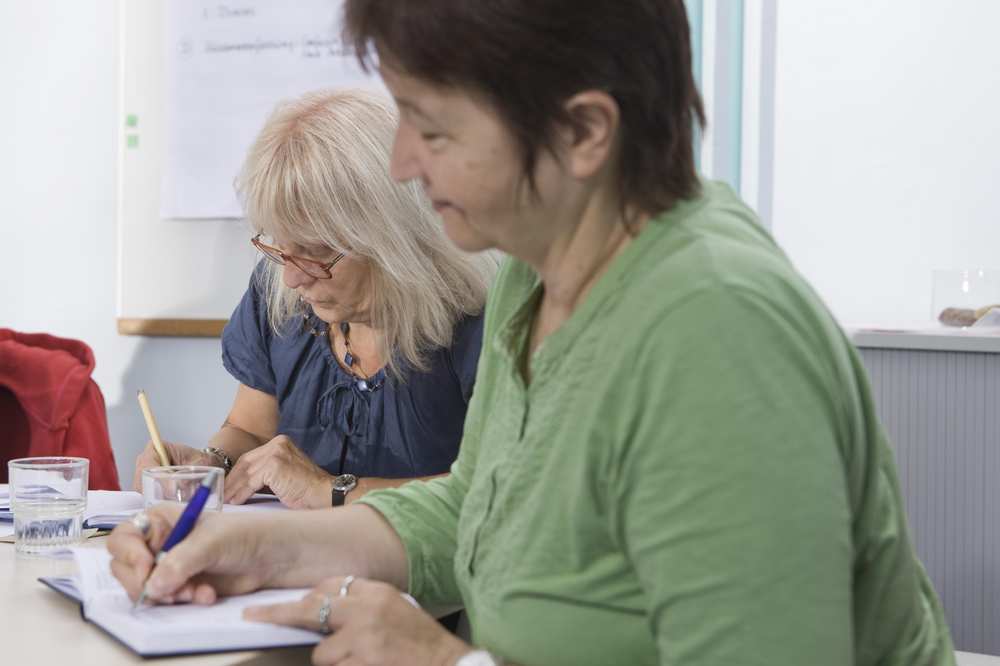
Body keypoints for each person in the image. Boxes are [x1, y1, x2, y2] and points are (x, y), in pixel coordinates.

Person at [110, 2, 957, 665]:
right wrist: (255, 545)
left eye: (434, 129)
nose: (403, 163)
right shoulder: (533, 272)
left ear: (584, 132)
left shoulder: (718, 330)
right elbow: (471, 507)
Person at [132, 89, 495, 509]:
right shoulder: (279, 295)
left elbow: (498, 491)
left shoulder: (484, 320)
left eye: (317, 252)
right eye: (281, 248)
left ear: (396, 239)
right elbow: (249, 431)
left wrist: (332, 492)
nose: (291, 276)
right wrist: (211, 467)